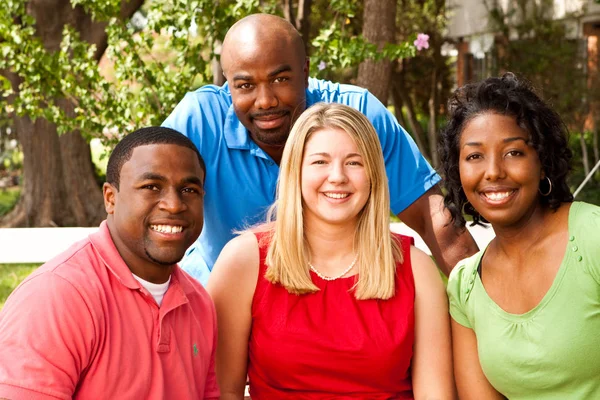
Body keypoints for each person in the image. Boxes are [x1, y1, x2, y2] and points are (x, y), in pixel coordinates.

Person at [162, 13, 478, 284]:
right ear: (227, 84)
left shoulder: (357, 114)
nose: (265, 101)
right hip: (222, 298)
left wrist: (485, 306)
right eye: (245, 85)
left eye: (280, 79)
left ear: (305, 72)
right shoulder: (201, 119)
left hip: (330, 303)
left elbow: (431, 216)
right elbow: (143, 195)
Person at [208, 103, 455, 399]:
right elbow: (223, 392)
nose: (337, 176)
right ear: (295, 172)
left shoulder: (416, 269)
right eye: (320, 162)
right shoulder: (244, 261)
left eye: (354, 162)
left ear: (373, 175)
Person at [0, 127, 219, 399]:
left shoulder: (200, 304)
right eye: (151, 187)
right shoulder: (57, 296)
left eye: (189, 189)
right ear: (110, 198)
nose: (174, 205)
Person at [440, 73, 600, 399]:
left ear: (542, 161)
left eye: (513, 152)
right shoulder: (466, 285)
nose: (494, 171)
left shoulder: (592, 237)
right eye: (474, 156)